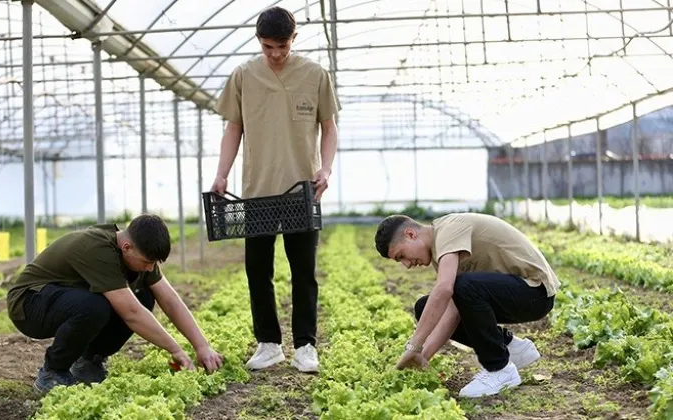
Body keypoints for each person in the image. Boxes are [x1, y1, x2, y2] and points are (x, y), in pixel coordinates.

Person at [210, 6, 340, 373]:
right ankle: (268, 343)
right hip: (257, 190)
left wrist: (325, 168)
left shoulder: (315, 75)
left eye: (281, 46)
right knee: (258, 270)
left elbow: (329, 127)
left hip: (302, 189)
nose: (276, 54)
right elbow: (233, 128)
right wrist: (222, 174)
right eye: (268, 47)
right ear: (259, 42)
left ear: (293, 40)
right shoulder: (244, 75)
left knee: (304, 272)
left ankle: (305, 346)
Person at [6, 214, 224, 393]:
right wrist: (176, 350)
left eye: (154, 263)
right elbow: (131, 313)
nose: (150, 268)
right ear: (127, 247)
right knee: (94, 307)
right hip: (29, 304)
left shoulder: (138, 253)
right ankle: (53, 371)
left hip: (64, 298)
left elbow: (170, 300)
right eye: (147, 262)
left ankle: (89, 361)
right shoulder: (98, 250)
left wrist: (201, 346)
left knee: (144, 295)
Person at [374, 212, 560, 398]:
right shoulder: (443, 248)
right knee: (425, 307)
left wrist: (414, 345)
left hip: (536, 292)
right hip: (515, 292)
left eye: (401, 256)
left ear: (410, 234)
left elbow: (445, 289)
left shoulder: (448, 229)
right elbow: (454, 311)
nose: (406, 265)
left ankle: (499, 369)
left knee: (463, 286)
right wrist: (421, 357)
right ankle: (513, 349)